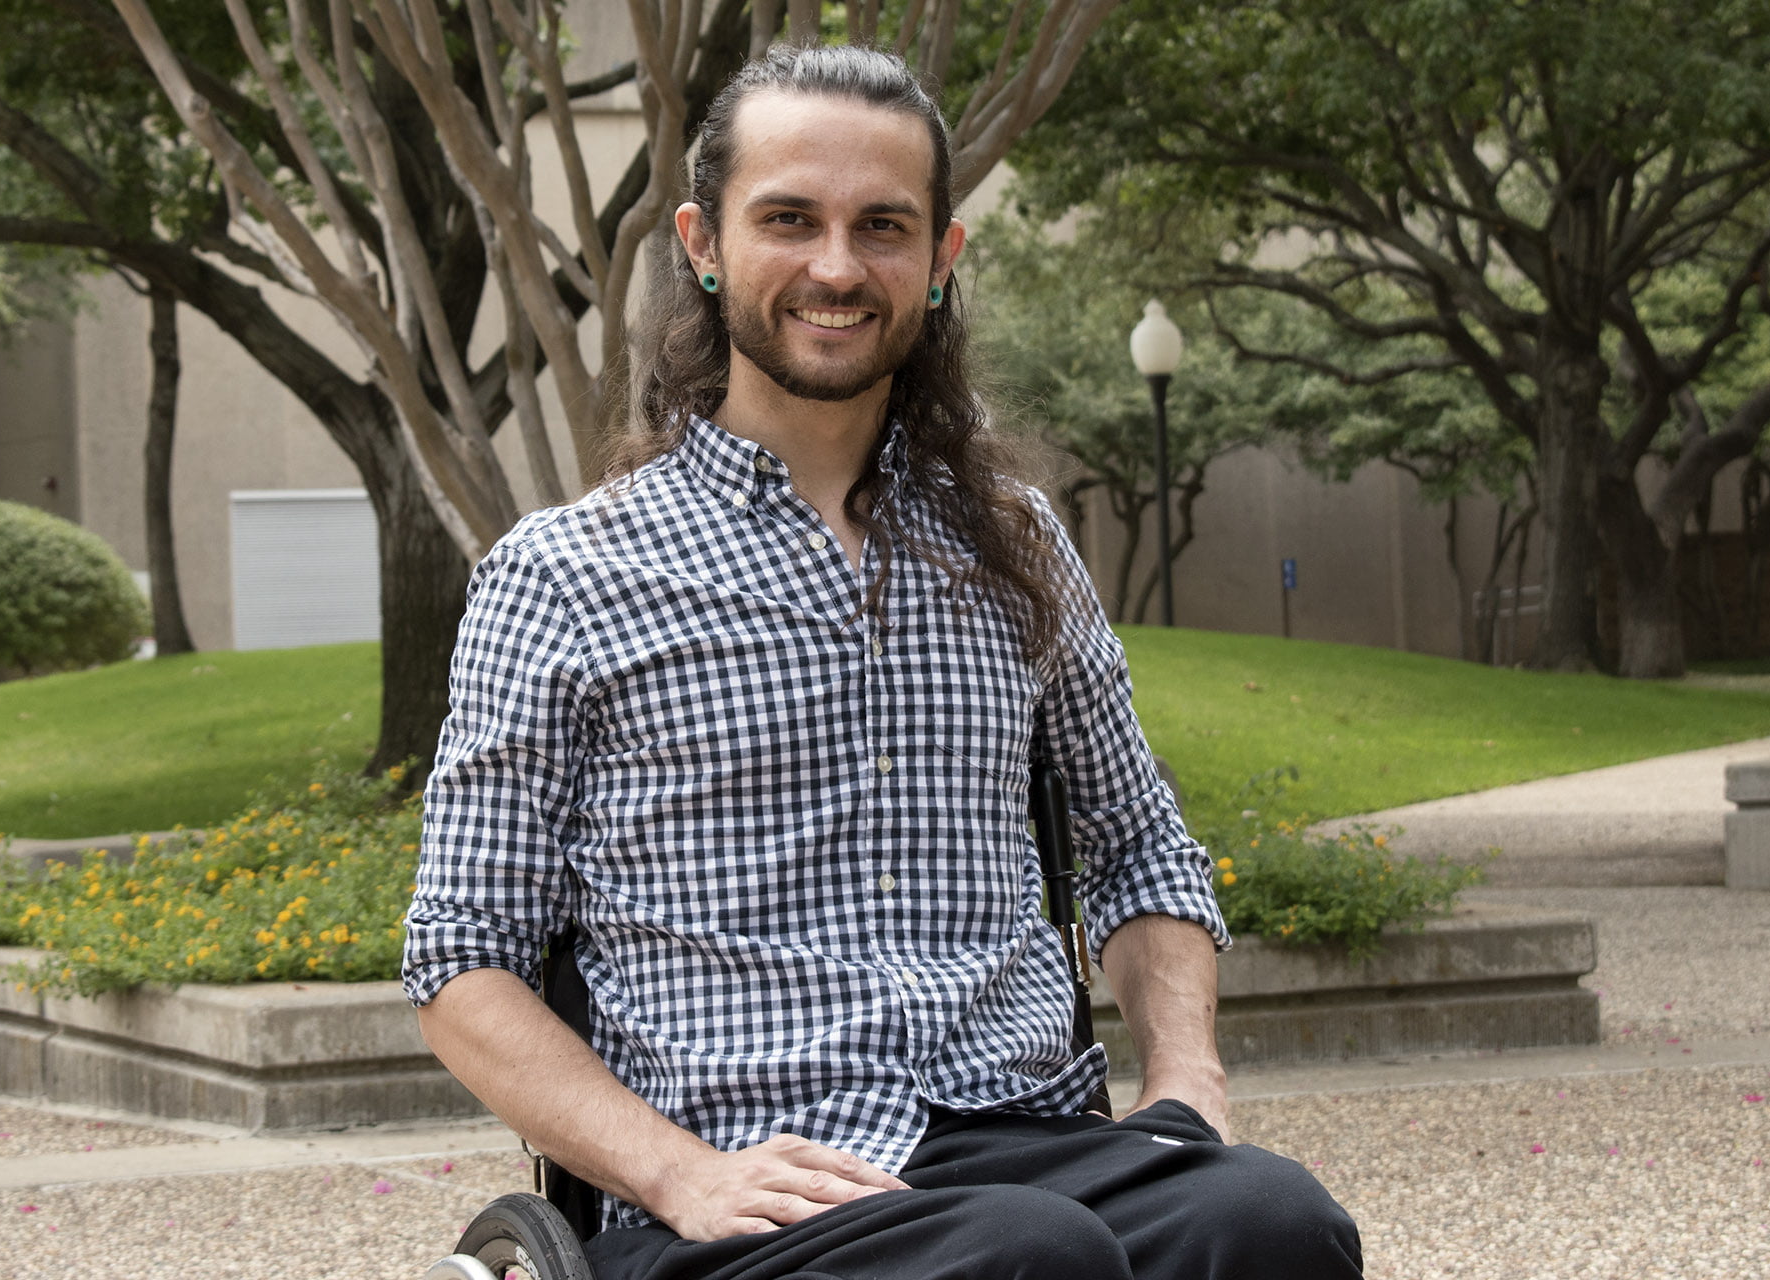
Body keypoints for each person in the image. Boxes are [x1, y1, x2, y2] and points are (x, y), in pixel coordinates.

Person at [405, 43, 1361, 1280]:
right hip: (745, 1187)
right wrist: (675, 1171)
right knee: (1034, 1256)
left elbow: (1138, 848)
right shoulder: (564, 575)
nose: (838, 266)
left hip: (1029, 1139)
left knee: (1275, 1222)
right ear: (702, 243)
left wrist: (1185, 1086)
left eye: (884, 226)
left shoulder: (1013, 544)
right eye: (789, 219)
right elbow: (460, 959)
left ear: (941, 261)